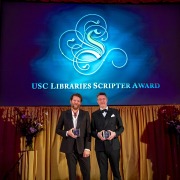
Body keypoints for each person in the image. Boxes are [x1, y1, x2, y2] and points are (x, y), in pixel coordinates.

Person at [56, 93, 91, 180]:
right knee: (72, 174)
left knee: (86, 173)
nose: (76, 102)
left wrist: (87, 148)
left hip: (83, 148)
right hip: (69, 148)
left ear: (80, 103)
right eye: (74, 100)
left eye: (78, 101)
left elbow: (88, 132)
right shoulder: (64, 114)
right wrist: (67, 133)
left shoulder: (85, 114)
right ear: (70, 101)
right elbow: (58, 130)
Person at [91, 92, 124, 180]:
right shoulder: (94, 114)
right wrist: (97, 134)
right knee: (103, 172)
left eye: (103, 99)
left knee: (116, 170)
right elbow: (91, 130)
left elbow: (121, 127)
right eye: (100, 99)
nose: (102, 101)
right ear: (97, 101)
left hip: (114, 145)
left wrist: (115, 133)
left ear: (107, 100)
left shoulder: (115, 112)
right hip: (100, 147)